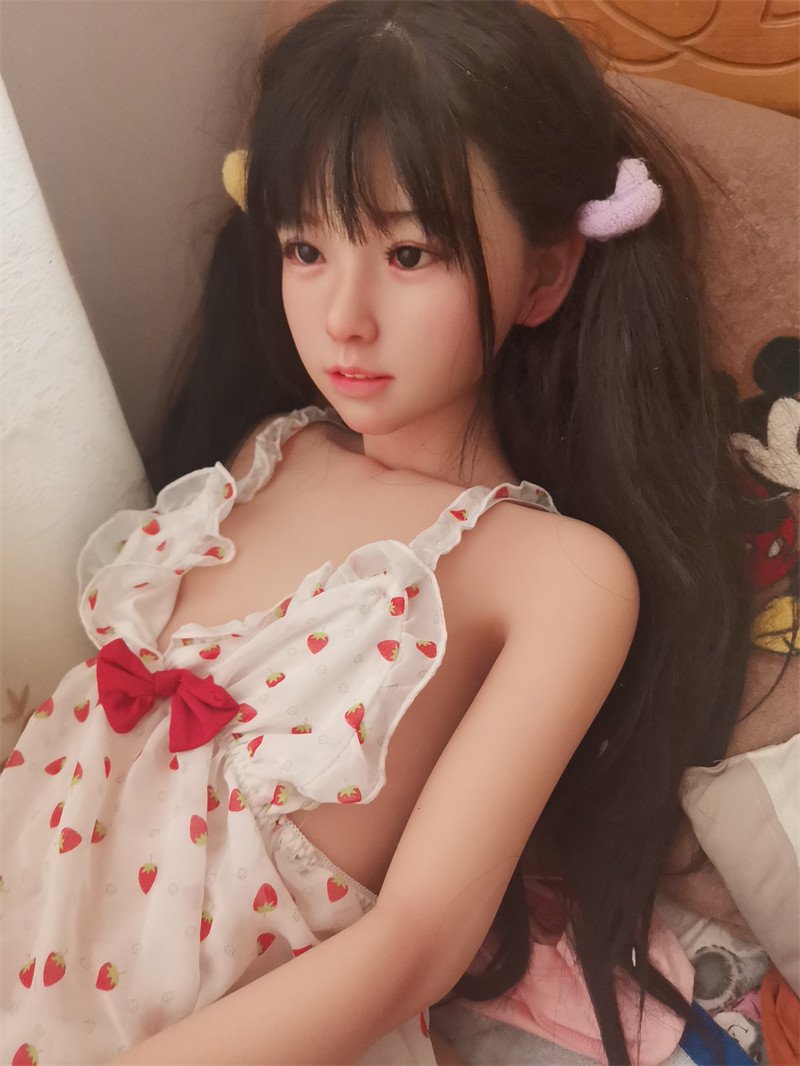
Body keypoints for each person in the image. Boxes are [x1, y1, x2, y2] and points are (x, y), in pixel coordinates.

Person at [0, 2, 764, 1063]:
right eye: (305, 248)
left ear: (545, 274)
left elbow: (414, 946)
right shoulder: (268, 454)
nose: (343, 318)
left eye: (409, 254)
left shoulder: (557, 577)